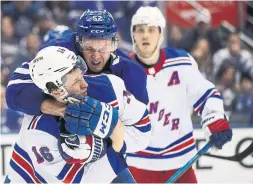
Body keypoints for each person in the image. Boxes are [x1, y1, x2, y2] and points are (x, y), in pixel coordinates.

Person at [5, 46, 151, 183]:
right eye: (76, 81)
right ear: (56, 90)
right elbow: (86, 180)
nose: (85, 84)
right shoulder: (38, 132)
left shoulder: (108, 88)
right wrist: (115, 141)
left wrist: (116, 132)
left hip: (100, 165)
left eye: (81, 75)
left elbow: (143, 131)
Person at [125, 6, 232, 183]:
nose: (145, 35)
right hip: (137, 165)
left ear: (160, 34)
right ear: (133, 34)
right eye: (140, 30)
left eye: (152, 30)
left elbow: (205, 93)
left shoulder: (181, 62)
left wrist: (215, 119)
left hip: (180, 163)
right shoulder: (121, 69)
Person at [6, 9, 148, 134]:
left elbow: (139, 124)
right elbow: (14, 91)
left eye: (103, 48)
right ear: (78, 42)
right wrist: (57, 108)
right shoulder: (56, 51)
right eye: (89, 48)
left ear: (113, 44)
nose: (96, 57)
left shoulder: (131, 71)